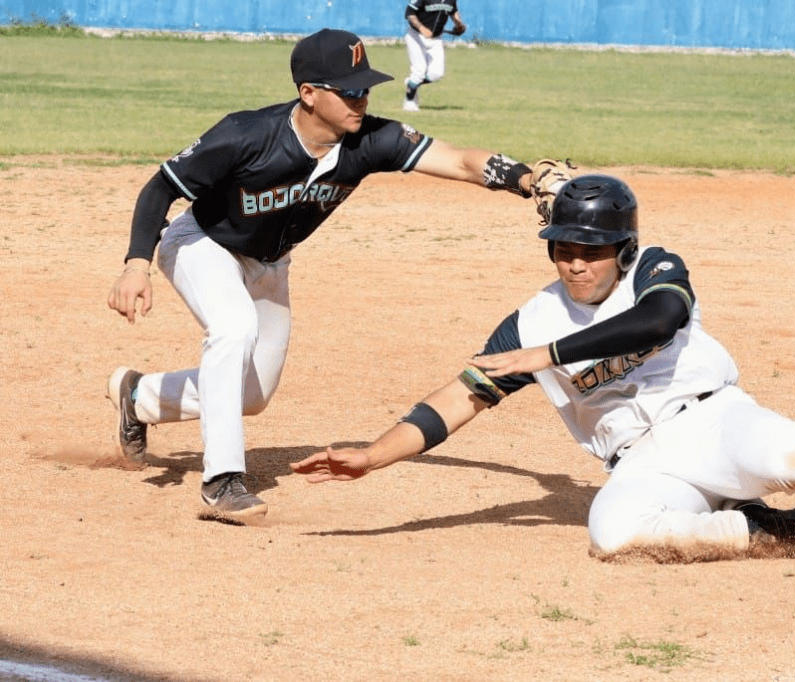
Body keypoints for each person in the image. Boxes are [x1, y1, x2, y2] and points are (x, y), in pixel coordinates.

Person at [291, 174, 795, 555]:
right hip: (643, 462)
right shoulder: (532, 320)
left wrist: (548, 358)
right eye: (563, 249)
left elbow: (660, 321)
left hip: (712, 421)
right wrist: (372, 457)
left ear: (624, 246)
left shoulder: (654, 269)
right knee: (613, 536)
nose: (576, 262)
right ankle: (771, 528)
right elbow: (460, 397)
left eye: (593, 248)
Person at [106, 28, 541, 521]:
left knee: (252, 394)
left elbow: (461, 162)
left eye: (365, 88)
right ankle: (222, 484)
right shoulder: (246, 134)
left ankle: (138, 396)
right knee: (233, 330)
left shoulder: (372, 140)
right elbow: (160, 188)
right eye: (348, 89)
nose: (361, 99)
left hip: (271, 262)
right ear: (308, 93)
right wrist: (136, 264)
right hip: (202, 244)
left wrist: (526, 178)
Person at [402, 0, 466, 112]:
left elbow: (453, 11)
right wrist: (422, 29)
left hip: (435, 39)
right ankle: (409, 102)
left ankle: (412, 83)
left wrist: (459, 24)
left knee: (436, 74)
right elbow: (410, 14)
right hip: (415, 36)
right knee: (419, 71)